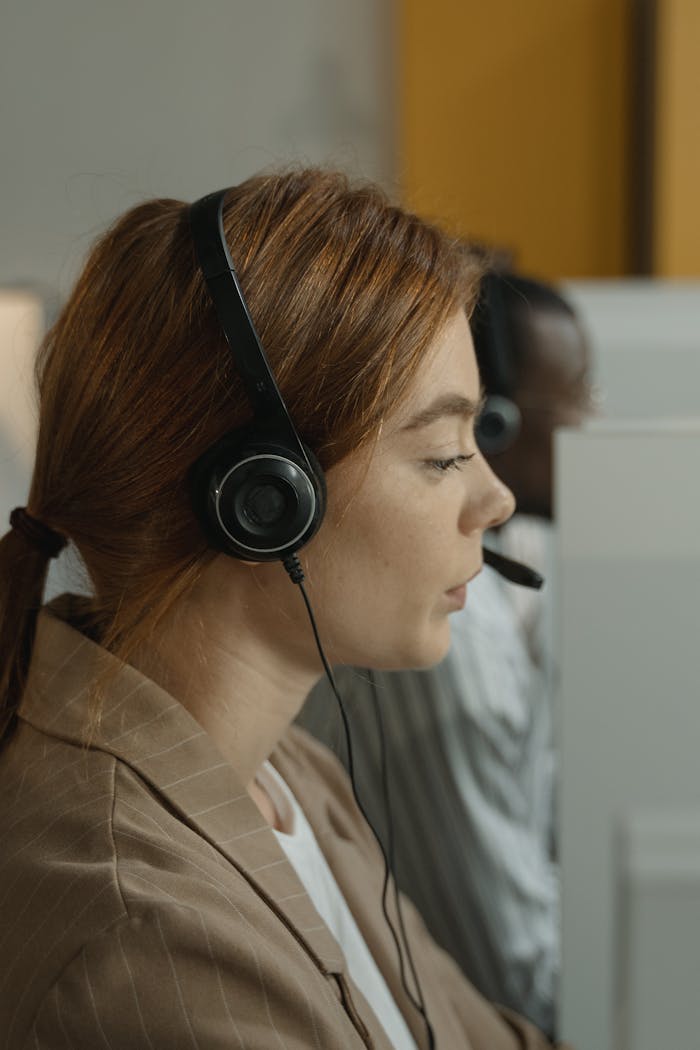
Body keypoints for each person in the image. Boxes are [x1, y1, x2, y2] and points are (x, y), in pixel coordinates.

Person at [0, 170, 571, 1049]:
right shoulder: (145, 945)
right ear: (264, 501)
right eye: (441, 456)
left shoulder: (286, 775)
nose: (494, 501)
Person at [299, 269, 592, 1038]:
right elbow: (521, 983)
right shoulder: (437, 660)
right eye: (441, 453)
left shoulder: (498, 591)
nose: (591, 425)